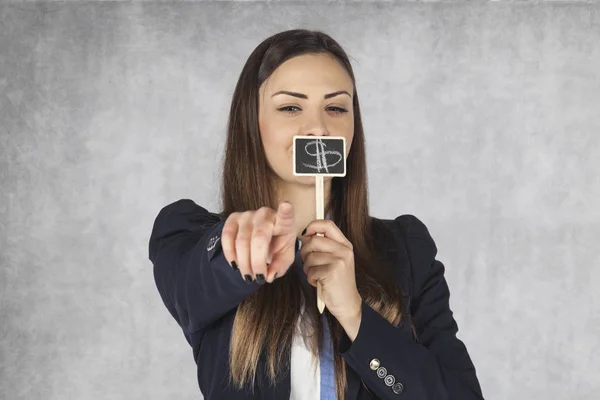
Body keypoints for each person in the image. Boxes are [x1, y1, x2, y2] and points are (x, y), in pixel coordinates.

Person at [148, 29, 484, 400]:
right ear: (251, 121)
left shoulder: (406, 247)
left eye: (336, 108)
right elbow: (192, 290)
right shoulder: (186, 231)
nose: (318, 128)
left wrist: (355, 314)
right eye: (291, 107)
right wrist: (241, 245)